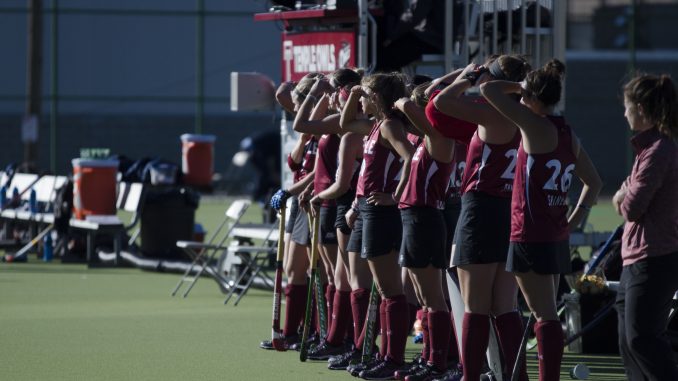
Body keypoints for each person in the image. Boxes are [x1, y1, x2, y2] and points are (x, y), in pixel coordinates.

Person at [480, 59, 602, 381]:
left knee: (543, 315)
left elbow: (487, 89)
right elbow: (595, 182)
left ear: (533, 99)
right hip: (555, 235)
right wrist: (575, 219)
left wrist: (518, 86)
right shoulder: (566, 132)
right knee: (543, 311)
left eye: (524, 97)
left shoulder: (533, 124)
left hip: (529, 233)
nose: (520, 102)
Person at [433, 55, 531, 381]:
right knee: (505, 305)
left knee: (475, 307)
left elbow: (440, 102)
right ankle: (517, 377)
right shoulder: (528, 117)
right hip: (510, 210)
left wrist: (469, 76)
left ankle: (470, 376)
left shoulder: (492, 113)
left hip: (480, 210)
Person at [340, 72, 415, 380]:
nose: (361, 100)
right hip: (365, 210)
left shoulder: (389, 125)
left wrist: (395, 196)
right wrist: (357, 89)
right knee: (373, 287)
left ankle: (392, 359)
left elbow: (410, 157)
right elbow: (345, 124)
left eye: (366, 96)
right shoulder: (374, 125)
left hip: (380, 213)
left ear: (379, 98)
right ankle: (375, 352)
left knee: (389, 290)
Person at [612, 73, 678, 381]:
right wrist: (626, 193)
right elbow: (627, 196)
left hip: (654, 257)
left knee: (643, 338)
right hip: (635, 258)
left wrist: (624, 194)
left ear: (640, 107)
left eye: (626, 106)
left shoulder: (659, 151)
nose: (624, 113)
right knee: (628, 342)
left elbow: (631, 208)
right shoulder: (647, 151)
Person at [262, 74, 321, 350]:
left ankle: (305, 332)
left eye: (299, 105)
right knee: (290, 269)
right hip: (296, 202)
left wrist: (290, 191)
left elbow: (318, 173)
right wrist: (302, 136)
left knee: (306, 270)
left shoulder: (325, 129)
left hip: (310, 200)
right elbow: (294, 161)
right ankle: (293, 330)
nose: (294, 110)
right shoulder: (307, 130)